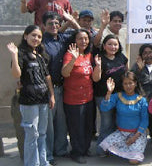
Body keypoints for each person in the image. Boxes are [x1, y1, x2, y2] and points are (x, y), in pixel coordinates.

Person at [7, 25, 55, 166]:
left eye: (39, 36)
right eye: (33, 35)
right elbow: (16, 75)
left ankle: (43, 162)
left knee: (42, 133)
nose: (36, 39)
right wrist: (14, 55)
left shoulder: (40, 55)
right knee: (31, 134)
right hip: (29, 101)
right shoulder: (20, 53)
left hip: (43, 99)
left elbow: (47, 77)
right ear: (25, 36)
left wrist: (51, 95)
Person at [42, 11, 79, 164]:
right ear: (44, 25)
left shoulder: (63, 39)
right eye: (50, 23)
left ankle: (61, 150)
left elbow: (81, 34)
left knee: (61, 122)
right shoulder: (41, 42)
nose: (54, 26)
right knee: (48, 125)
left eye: (57, 23)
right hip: (47, 89)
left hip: (63, 87)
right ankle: (48, 155)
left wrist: (71, 21)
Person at [61, 29, 101, 164]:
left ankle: (85, 149)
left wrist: (98, 67)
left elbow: (94, 78)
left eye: (85, 38)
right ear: (75, 40)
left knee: (88, 126)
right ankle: (76, 152)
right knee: (76, 128)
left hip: (88, 98)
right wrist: (72, 59)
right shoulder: (69, 54)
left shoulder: (89, 55)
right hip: (73, 99)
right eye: (80, 38)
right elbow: (65, 73)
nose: (83, 41)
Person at [99, 72, 149, 164]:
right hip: (121, 133)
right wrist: (109, 92)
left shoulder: (142, 100)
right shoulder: (118, 96)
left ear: (135, 83)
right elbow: (104, 108)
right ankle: (129, 150)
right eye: (125, 83)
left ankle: (135, 150)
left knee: (133, 161)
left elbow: (144, 121)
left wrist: (134, 138)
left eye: (130, 83)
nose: (128, 86)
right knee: (104, 146)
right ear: (122, 85)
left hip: (137, 134)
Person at [93, 34, 128, 157]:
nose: (113, 47)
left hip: (119, 95)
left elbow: (126, 75)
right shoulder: (100, 58)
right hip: (104, 95)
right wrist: (98, 66)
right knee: (106, 123)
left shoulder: (122, 58)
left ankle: (113, 148)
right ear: (104, 46)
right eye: (110, 44)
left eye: (115, 44)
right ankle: (101, 149)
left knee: (116, 122)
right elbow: (95, 79)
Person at [130, 43, 152, 136]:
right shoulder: (137, 66)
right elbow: (130, 80)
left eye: (150, 52)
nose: (148, 55)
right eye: (145, 53)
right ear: (141, 55)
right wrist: (138, 70)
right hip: (142, 100)